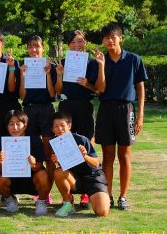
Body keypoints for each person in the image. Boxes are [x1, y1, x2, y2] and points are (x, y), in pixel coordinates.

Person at [95, 22, 147, 210]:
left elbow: (140, 88)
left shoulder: (134, 59)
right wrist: (101, 65)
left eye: (113, 37)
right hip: (105, 109)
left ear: (120, 38)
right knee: (107, 156)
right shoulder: (100, 61)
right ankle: (107, 195)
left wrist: (140, 115)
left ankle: (123, 197)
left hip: (126, 110)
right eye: (106, 38)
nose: (110, 41)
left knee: (124, 156)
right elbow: (98, 89)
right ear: (103, 41)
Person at [54, 30, 105, 207]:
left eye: (81, 41)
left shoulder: (91, 63)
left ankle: (86, 190)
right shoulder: (61, 63)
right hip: (67, 107)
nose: (77, 45)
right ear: (68, 45)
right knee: (65, 147)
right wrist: (60, 74)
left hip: (84, 106)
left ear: (86, 43)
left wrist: (87, 84)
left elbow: (98, 89)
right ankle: (68, 191)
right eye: (74, 42)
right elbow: (58, 91)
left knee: (86, 146)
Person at [18, 35, 56, 203]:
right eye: (31, 46)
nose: (34, 50)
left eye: (37, 46)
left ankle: (47, 191)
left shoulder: (50, 67)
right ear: (28, 49)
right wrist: (23, 76)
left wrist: (48, 74)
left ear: (43, 48)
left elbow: (53, 93)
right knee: (32, 153)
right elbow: (22, 95)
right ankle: (38, 187)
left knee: (49, 153)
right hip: (29, 110)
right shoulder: (23, 67)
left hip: (46, 109)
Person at [50, 112, 110, 217]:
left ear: (69, 126)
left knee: (102, 212)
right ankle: (68, 203)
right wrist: (57, 160)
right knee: (58, 172)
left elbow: (96, 164)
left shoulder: (82, 139)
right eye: (56, 126)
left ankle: (95, 196)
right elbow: (65, 166)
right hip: (76, 179)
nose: (59, 129)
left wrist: (85, 156)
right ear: (52, 129)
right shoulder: (55, 143)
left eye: (62, 125)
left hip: (93, 178)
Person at [0, 110, 49, 215]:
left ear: (25, 125)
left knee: (43, 175)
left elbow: (39, 167)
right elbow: (0, 171)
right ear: (7, 126)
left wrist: (33, 164)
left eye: (18, 124)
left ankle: (41, 201)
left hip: (32, 181)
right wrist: (0, 161)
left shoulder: (35, 140)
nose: (15, 128)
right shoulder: (3, 142)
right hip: (12, 180)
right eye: (11, 124)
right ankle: (10, 200)